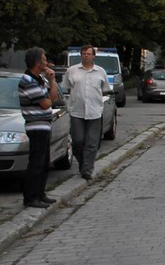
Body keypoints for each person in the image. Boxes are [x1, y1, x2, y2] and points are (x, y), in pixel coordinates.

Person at [61, 45, 111, 181]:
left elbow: (105, 89)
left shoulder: (100, 72)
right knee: (78, 141)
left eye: (89, 54)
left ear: (94, 56)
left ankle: (87, 169)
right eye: (84, 53)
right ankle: (84, 164)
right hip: (77, 111)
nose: (86, 56)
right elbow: (66, 88)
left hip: (94, 111)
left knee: (92, 143)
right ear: (81, 55)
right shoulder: (72, 71)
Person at [18, 48, 59, 208]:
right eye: (44, 59)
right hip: (36, 127)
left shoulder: (39, 79)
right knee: (36, 162)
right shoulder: (28, 81)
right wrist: (48, 99)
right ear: (37, 62)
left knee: (44, 162)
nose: (46, 62)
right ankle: (30, 197)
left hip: (44, 125)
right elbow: (46, 103)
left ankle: (40, 193)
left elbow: (53, 98)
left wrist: (53, 80)